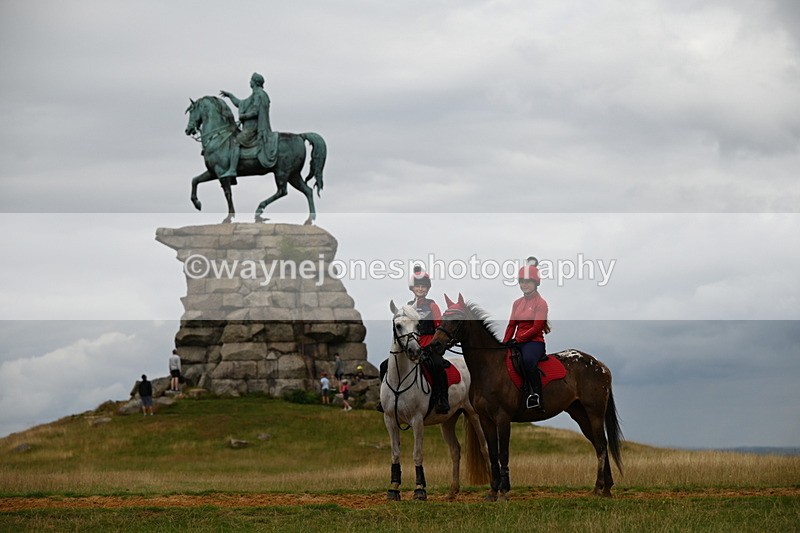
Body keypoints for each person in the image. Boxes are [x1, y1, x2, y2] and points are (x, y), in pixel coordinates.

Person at [378, 266, 449, 414]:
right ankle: (384, 399)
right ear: (412, 288)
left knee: (437, 366)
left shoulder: (432, 305)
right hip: (411, 346)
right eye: (418, 286)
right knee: (384, 365)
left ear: (428, 289)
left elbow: (439, 327)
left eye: (424, 286)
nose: (421, 289)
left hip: (429, 346)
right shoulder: (408, 307)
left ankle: (442, 400)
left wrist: (433, 346)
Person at [503, 257, 550, 410]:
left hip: (534, 342)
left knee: (527, 361)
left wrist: (518, 339)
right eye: (522, 282)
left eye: (528, 282)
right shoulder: (517, 303)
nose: (524, 285)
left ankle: (536, 395)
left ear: (536, 283)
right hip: (518, 341)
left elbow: (536, 328)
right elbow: (511, 325)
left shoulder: (541, 303)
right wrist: (504, 343)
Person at [219, 72, 274, 178]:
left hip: (253, 129)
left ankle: (232, 170)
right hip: (249, 128)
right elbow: (240, 103)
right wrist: (230, 95)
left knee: (236, 142)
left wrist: (244, 116)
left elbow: (255, 111)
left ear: (255, 82)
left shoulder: (259, 94)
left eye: (251, 80)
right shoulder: (254, 95)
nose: (249, 82)